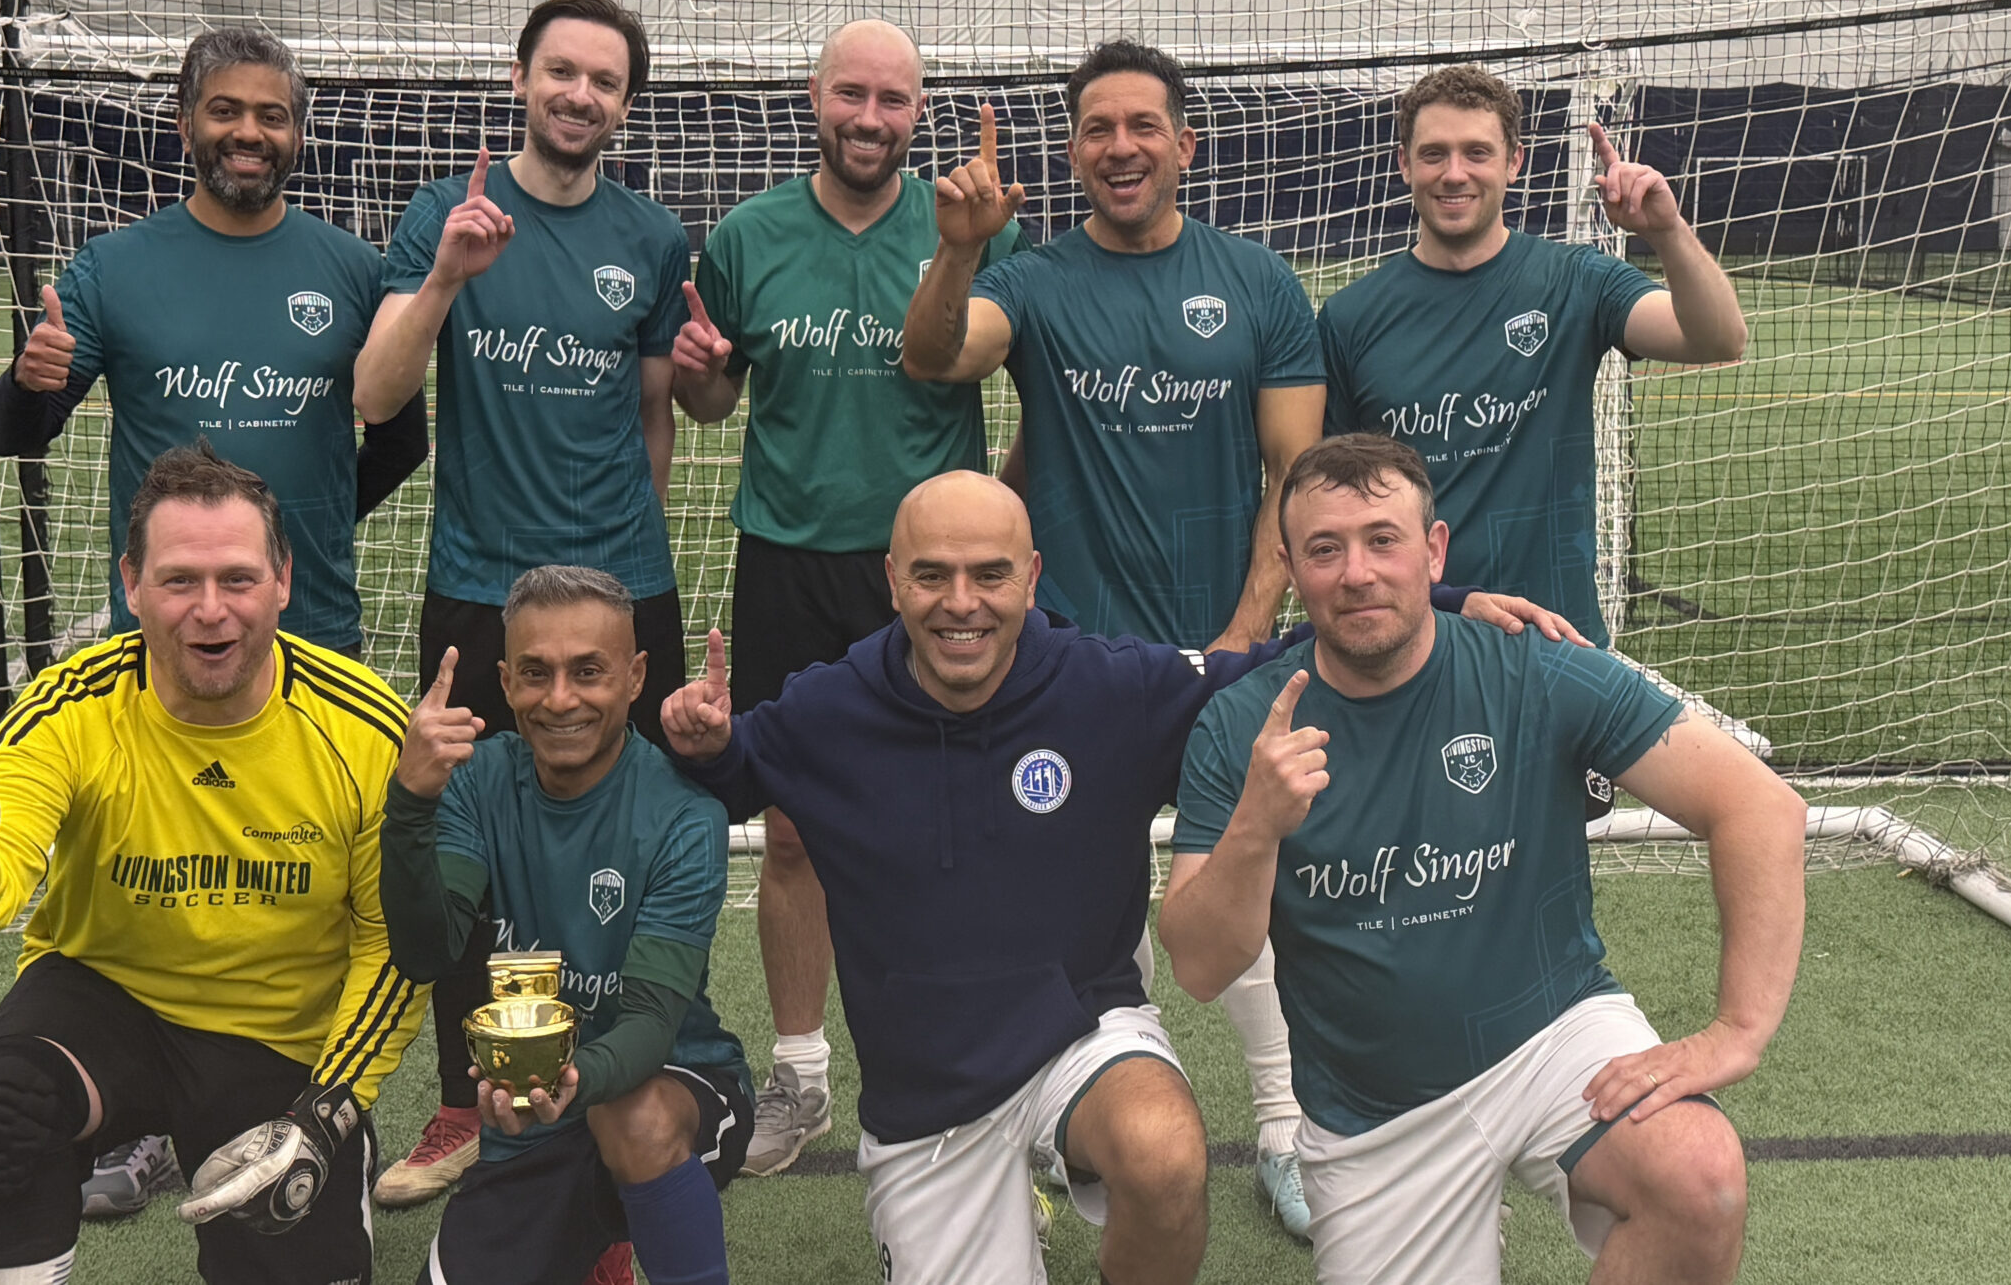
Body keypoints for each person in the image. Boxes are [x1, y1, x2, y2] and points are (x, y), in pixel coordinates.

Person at [657, 470, 1570, 1285]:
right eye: (932, 574)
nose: (960, 602)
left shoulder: (1110, 688)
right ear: (893, 580)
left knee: (1164, 1153)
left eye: (990, 573)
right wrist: (706, 741)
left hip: (1079, 1028)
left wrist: (1441, 601)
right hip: (925, 1093)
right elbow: (739, 773)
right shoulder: (827, 708)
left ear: (1033, 577)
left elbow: (1275, 666)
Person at [1158, 433, 1806, 1285]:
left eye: (1383, 540)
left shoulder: (1536, 669)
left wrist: (1737, 1032)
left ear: (1434, 551)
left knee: (1700, 1173)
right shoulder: (1245, 724)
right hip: (1374, 1114)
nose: (1357, 572)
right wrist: (1256, 826)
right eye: (1326, 548)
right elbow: (1203, 967)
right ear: (1288, 565)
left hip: (1551, 1035)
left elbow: (1759, 806)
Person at [897, 37, 1325, 1235]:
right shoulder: (1031, 282)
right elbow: (932, 358)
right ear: (1072, 148)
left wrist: (1245, 635)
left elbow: (1294, 472)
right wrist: (958, 246)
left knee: (1245, 877)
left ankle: (1287, 1131)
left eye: (1143, 126)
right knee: (1063, 900)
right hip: (1069, 662)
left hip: (1220, 650)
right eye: (1097, 128)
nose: (1120, 147)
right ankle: (1053, 1139)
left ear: (1185, 145)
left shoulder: (1258, 284)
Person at [0, 441, 426, 1284]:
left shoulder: (367, 730)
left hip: (274, 1035)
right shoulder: (73, 705)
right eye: (179, 580)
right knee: (10, 1097)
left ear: (283, 582)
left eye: (237, 578)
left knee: (289, 1248)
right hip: (106, 1006)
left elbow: (394, 946)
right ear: (131, 584)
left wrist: (330, 1105)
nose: (210, 610)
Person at [351, 0, 695, 1206]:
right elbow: (378, 394)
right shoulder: (448, 216)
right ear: (519, 80)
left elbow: (655, 415)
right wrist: (447, 276)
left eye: (605, 82)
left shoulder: (653, 239)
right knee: (470, 845)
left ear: (623, 106)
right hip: (479, 592)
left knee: (632, 848)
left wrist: (635, 563)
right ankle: (464, 1101)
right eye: (562, 72)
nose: (581, 96)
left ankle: (635, 1080)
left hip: (621, 590)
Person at [667, 18, 1027, 1177]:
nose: (871, 120)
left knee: (961, 827)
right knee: (792, 833)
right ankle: (802, 1071)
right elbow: (717, 402)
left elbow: (1005, 367)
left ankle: (983, 1075)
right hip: (790, 561)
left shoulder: (963, 225)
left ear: (918, 111)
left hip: (937, 575)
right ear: (811, 98)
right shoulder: (745, 235)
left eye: (894, 100)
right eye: (851, 96)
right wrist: (701, 382)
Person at [0, 26, 426, 665]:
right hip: (161, 645)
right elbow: (12, 435)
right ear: (186, 126)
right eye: (225, 111)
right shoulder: (113, 268)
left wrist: (294, 529)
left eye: (271, 116)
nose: (249, 132)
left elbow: (403, 441)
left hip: (315, 636)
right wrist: (28, 382)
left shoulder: (355, 269)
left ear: (296, 135)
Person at [380, 565, 748, 1285]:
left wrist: (571, 1080)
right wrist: (409, 803)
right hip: (529, 1106)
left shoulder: (683, 816)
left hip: (673, 1084)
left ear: (636, 675)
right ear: (506, 680)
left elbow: (648, 1019)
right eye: (535, 673)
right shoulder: (476, 780)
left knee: (630, 1121)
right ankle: (598, 1251)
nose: (560, 699)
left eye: (588, 671)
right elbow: (427, 950)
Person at [1317, 63, 1749, 651]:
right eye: (1434, 154)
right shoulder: (1350, 319)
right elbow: (1334, 495)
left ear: (1514, 162)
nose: (1454, 174)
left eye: (1477, 152)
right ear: (1403, 163)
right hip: (1418, 644)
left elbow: (1718, 339)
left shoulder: (1575, 281)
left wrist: (1667, 232)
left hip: (1559, 637)